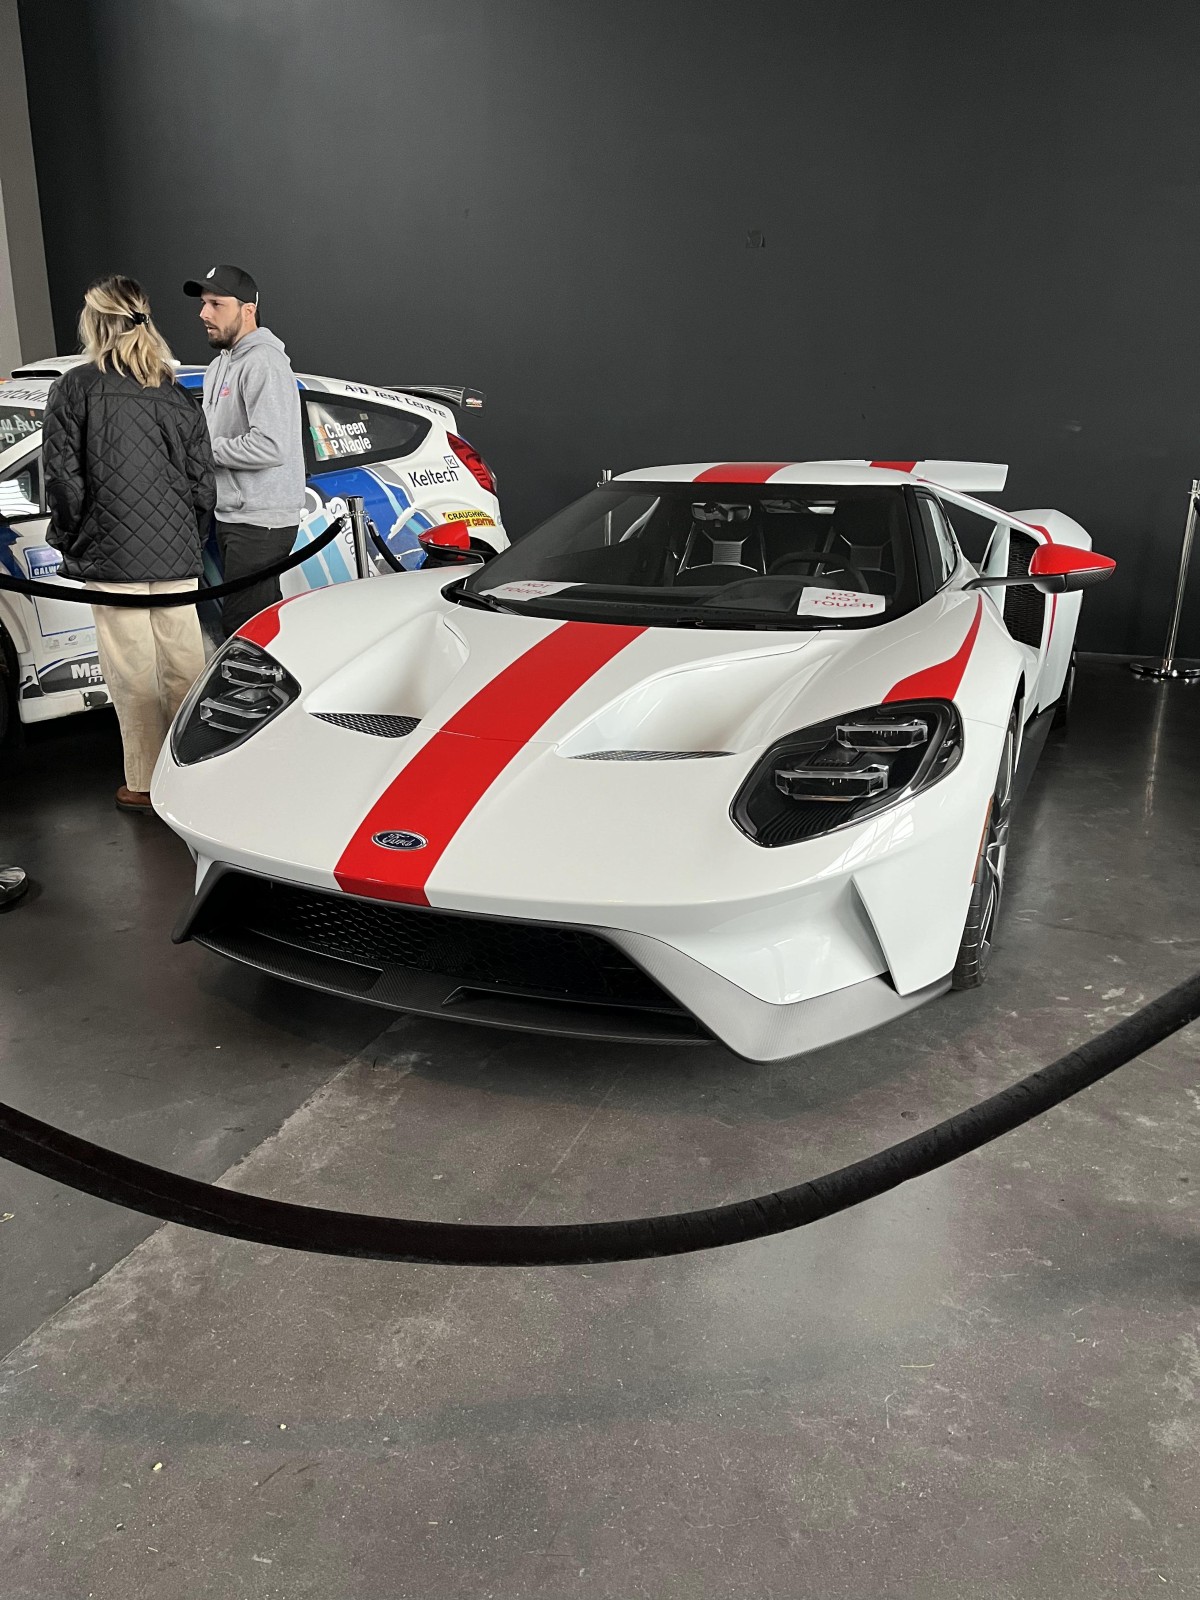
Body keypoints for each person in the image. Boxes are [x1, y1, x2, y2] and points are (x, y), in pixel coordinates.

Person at [41, 276, 215, 813]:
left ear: (94, 322)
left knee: (131, 667)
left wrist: (70, 538)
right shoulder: (173, 390)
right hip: (176, 552)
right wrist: (190, 536)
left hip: (111, 553)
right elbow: (202, 481)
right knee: (186, 662)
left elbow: (63, 481)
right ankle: (196, 772)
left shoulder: (74, 388)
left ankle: (144, 781)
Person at [183, 264, 305, 637]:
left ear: (247, 310)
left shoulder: (264, 362)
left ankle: (263, 679)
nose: (204, 314)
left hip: (261, 520)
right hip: (233, 514)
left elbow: (271, 446)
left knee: (244, 627)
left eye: (216, 304)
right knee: (257, 623)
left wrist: (201, 450)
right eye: (203, 303)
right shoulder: (218, 366)